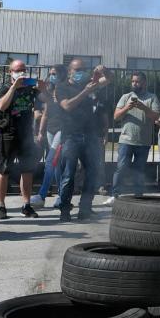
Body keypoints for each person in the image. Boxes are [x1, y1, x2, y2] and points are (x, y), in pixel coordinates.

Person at [55, 59, 110, 222]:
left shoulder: (90, 84)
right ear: (70, 71)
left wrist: (104, 70)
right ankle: (64, 209)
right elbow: (67, 106)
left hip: (90, 136)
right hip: (71, 136)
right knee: (68, 175)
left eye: (83, 69)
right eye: (77, 69)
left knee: (92, 173)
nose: (81, 72)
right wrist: (85, 92)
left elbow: (108, 79)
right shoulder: (62, 87)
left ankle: (85, 208)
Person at [0, 60, 48, 219]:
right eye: (17, 70)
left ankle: (26, 205)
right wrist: (14, 87)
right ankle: (1, 207)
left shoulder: (31, 88)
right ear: (10, 72)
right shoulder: (4, 87)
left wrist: (44, 90)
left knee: (27, 169)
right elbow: (2, 106)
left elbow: (46, 102)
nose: (21, 72)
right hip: (8, 133)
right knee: (4, 169)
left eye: (23, 70)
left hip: (26, 133)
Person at [106, 72, 159, 203]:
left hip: (143, 141)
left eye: (138, 81)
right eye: (133, 81)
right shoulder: (126, 97)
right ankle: (115, 194)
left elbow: (156, 117)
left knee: (139, 170)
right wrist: (127, 108)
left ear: (144, 83)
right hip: (126, 140)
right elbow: (116, 116)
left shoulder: (152, 97)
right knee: (122, 167)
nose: (135, 84)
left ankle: (138, 195)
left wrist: (144, 108)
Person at [31, 64, 66, 208]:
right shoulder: (50, 90)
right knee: (56, 165)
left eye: (54, 73)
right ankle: (61, 195)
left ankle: (42, 195)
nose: (52, 76)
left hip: (62, 129)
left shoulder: (66, 89)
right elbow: (45, 112)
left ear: (62, 74)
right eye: (50, 73)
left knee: (50, 161)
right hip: (50, 130)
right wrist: (40, 132)